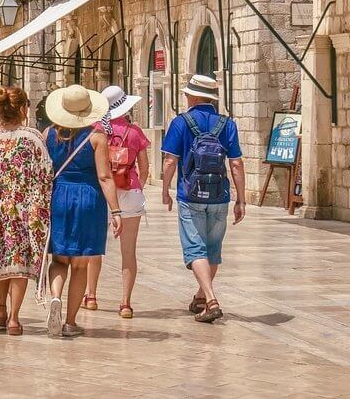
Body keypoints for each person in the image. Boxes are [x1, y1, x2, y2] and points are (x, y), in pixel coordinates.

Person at [161, 74, 244, 324]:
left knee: (195, 249)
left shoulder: (180, 123)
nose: (185, 97)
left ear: (195, 96)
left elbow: (169, 161)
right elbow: (237, 163)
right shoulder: (227, 124)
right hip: (220, 196)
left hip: (190, 194)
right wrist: (241, 199)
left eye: (187, 94)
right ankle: (199, 297)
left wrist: (165, 190)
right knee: (213, 250)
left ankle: (210, 299)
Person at [42, 85, 123, 339]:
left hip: (59, 197)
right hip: (88, 198)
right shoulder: (97, 137)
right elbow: (105, 176)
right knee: (79, 265)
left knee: (58, 259)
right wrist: (117, 211)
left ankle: (55, 297)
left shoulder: (47, 135)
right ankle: (70, 321)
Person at [0, 86, 52, 335]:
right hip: (24, 211)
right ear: (23, 109)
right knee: (19, 261)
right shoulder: (33, 137)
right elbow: (46, 174)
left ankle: (1, 309)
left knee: (0, 258)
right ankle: (14, 318)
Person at [83, 85, 150, 318]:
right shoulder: (135, 132)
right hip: (129, 192)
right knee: (128, 251)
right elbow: (144, 168)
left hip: (101, 192)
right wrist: (134, 185)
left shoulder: (95, 131)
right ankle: (125, 303)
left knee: (95, 249)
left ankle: (91, 296)